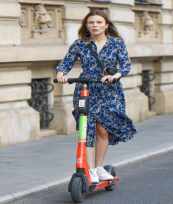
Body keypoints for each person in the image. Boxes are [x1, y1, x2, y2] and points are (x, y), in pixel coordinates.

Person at [56, 10, 137, 183]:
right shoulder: (80, 44)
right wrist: (61, 73)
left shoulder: (117, 43)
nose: (95, 25)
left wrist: (116, 76)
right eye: (91, 22)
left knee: (102, 130)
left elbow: (126, 65)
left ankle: (99, 168)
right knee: (88, 130)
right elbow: (66, 62)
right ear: (86, 25)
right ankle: (90, 170)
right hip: (86, 89)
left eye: (99, 22)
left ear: (106, 25)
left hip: (110, 91)